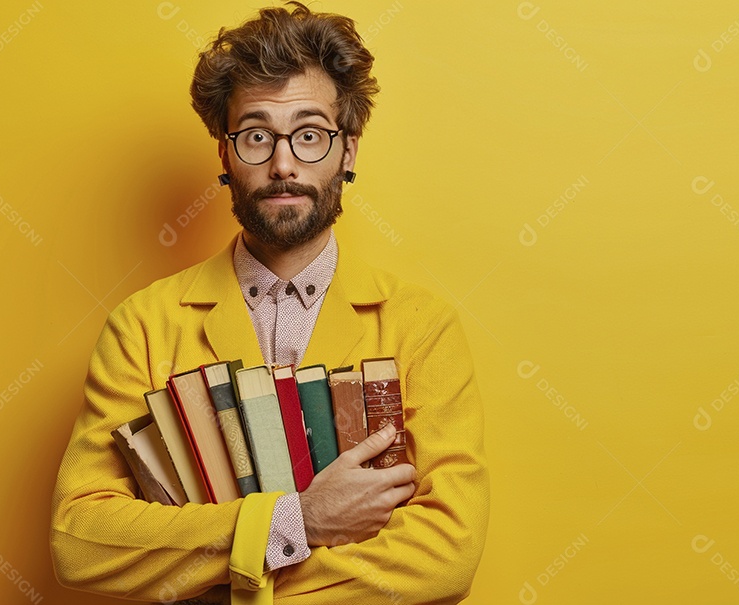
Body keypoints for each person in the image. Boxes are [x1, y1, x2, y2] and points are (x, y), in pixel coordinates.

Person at [49, 4, 490, 604]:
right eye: (257, 136)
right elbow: (82, 542)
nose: (283, 164)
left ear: (348, 152)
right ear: (225, 156)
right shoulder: (142, 326)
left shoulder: (421, 327)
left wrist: (225, 573)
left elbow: (446, 556)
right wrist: (298, 521)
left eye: (310, 135)